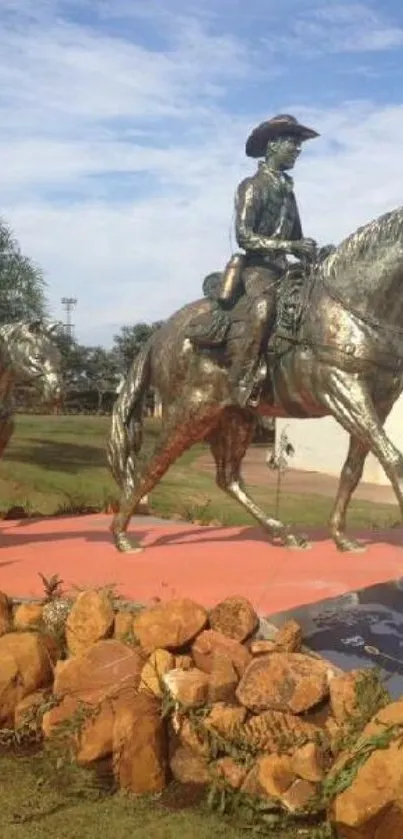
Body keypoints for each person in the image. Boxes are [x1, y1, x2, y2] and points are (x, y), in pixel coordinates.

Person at [220, 113, 320, 407]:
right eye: (293, 142)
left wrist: (310, 250)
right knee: (264, 308)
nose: (298, 149)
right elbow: (244, 235)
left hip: (284, 269)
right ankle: (242, 380)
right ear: (273, 145)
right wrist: (288, 244)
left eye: (299, 143)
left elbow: (298, 237)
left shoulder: (288, 191)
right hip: (257, 269)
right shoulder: (252, 186)